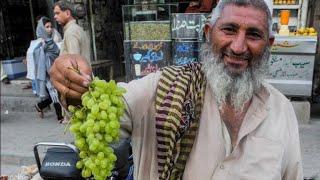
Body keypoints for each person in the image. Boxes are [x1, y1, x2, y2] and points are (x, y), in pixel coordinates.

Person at [50, 0, 303, 179]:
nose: (238, 46)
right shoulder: (163, 87)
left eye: (254, 35)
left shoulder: (281, 110)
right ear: (208, 32)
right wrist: (71, 81)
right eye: (229, 29)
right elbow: (105, 106)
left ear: (269, 44)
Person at [28, 17, 63, 122]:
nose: (50, 29)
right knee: (54, 93)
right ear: (42, 29)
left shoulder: (52, 40)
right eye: (47, 27)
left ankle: (39, 106)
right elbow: (39, 62)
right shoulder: (39, 44)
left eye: (51, 26)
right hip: (47, 74)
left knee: (54, 95)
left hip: (56, 71)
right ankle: (59, 117)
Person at [53, 0, 91, 64]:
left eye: (57, 13)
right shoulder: (77, 29)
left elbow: (74, 64)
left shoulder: (71, 32)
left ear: (67, 13)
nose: (55, 17)